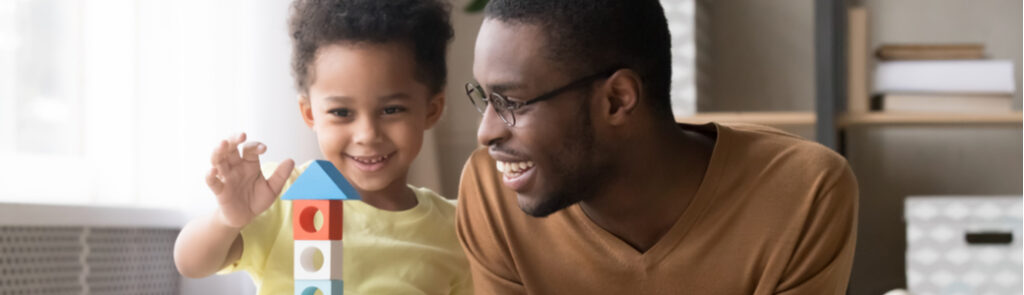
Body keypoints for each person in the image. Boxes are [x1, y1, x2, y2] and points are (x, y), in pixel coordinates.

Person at [455, 0, 859, 294]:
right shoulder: (492, 193)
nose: (486, 132)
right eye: (485, 98)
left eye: (512, 102)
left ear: (617, 99)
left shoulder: (802, 191)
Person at [173, 0, 472, 294]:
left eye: (391, 110)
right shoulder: (279, 194)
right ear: (310, 114)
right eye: (342, 113)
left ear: (431, 110)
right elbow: (191, 263)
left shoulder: (456, 230)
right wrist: (227, 220)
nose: (367, 134)